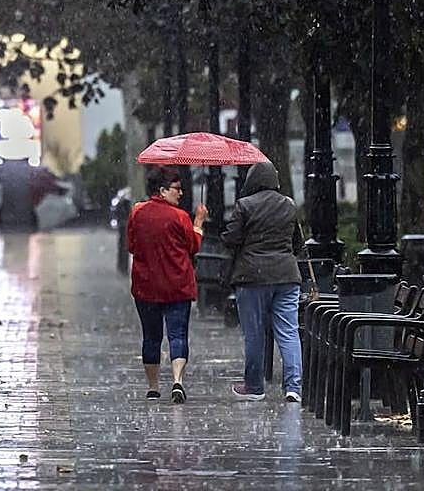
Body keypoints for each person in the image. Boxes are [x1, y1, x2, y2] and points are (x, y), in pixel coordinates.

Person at [222, 160, 304, 402]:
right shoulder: (288, 205)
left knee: (254, 333)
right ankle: (293, 387)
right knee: (289, 332)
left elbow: (231, 239)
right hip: (287, 276)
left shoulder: (245, 205)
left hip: (252, 277)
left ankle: (255, 386)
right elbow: (297, 243)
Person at [126, 166, 208, 403]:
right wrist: (199, 221)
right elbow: (193, 246)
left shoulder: (137, 213)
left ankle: (153, 387)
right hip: (177, 286)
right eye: (176, 189)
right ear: (162, 190)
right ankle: (177, 381)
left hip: (146, 286)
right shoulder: (180, 217)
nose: (180, 193)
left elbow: (132, 246)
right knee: (177, 335)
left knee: (151, 337)